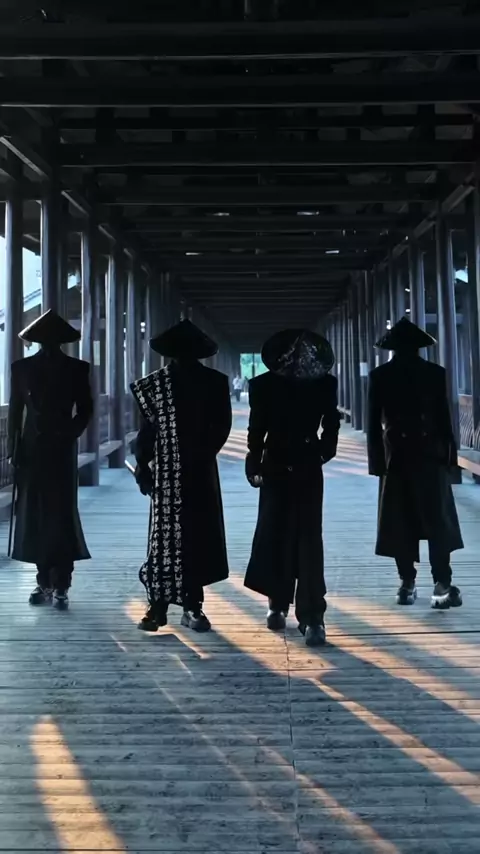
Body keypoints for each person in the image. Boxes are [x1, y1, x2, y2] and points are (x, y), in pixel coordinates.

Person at [130, 319, 232, 633]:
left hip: (189, 469)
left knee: (189, 536)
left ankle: (188, 605)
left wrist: (192, 456)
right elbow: (147, 431)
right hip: (172, 470)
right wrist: (143, 465)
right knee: (169, 537)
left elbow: (220, 427)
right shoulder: (157, 384)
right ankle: (162, 606)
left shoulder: (210, 382)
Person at [244, 329, 340, 647]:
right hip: (305, 460)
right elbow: (332, 423)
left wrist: (253, 462)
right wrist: (324, 450)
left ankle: (283, 607)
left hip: (278, 461)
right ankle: (309, 616)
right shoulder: (324, 382)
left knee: (282, 533)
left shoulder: (263, 385)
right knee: (304, 536)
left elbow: (257, 429)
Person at [367, 316, 463, 609]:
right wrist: (450, 458)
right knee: (438, 521)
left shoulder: (381, 375)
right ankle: (442, 581)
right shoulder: (435, 373)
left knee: (401, 519)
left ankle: (407, 583)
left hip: (396, 456)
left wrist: (377, 463)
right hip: (431, 454)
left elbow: (373, 425)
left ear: (392, 348)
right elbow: (445, 419)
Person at [7, 310, 93, 610]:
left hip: (61, 449)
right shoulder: (21, 369)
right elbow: (15, 411)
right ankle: (44, 580)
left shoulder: (77, 369)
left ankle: (61, 583)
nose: (48, 344)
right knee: (36, 514)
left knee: (60, 514)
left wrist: (70, 433)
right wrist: (13, 449)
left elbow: (85, 409)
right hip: (31, 451)